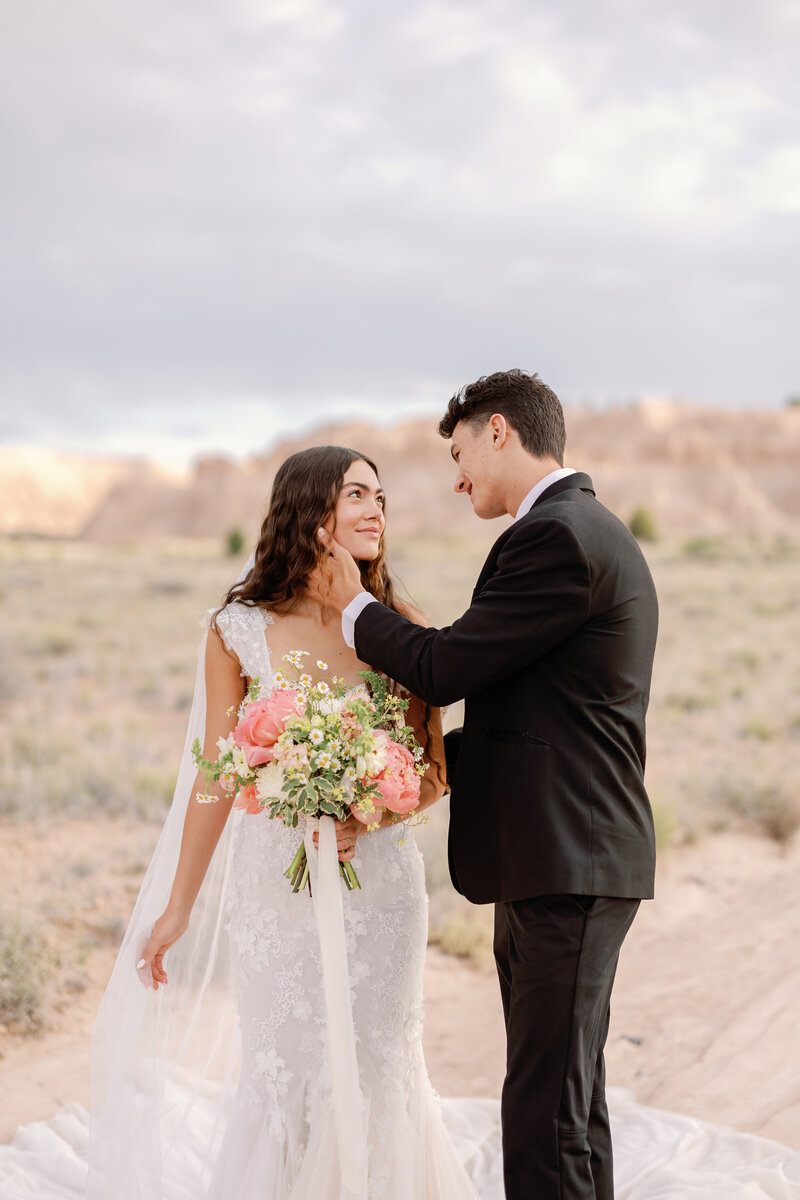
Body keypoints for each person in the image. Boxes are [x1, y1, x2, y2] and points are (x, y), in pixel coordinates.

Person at [88, 446, 483, 1200]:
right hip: (275, 883)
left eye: (381, 498)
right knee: (287, 1064)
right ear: (309, 510)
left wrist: (367, 815)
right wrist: (178, 907)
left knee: (375, 1062)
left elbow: (433, 769)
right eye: (356, 495)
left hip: (380, 885)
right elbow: (215, 773)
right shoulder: (236, 629)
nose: (375, 511)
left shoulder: (401, 626)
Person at [312, 370, 659, 1200]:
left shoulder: (559, 537)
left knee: (545, 1111)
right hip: (558, 856)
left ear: (498, 431)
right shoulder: (574, 530)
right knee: (566, 1102)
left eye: (460, 452)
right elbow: (527, 725)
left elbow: (445, 668)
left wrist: (352, 606)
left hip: (567, 859)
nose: (457, 475)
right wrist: (390, 784)